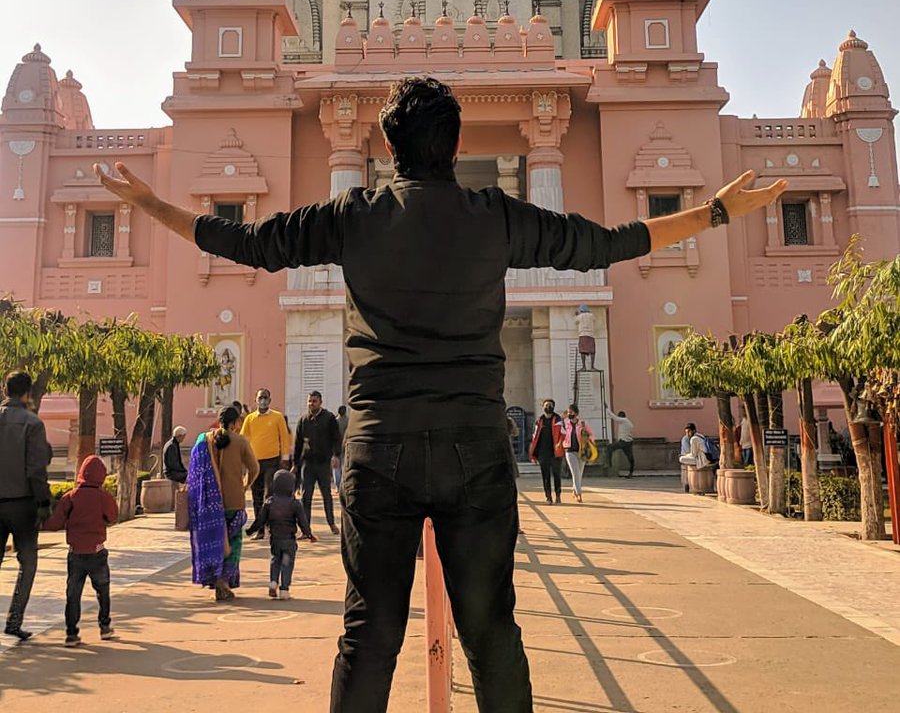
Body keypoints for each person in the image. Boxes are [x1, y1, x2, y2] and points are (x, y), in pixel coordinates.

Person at [94, 75, 786, 713]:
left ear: (389, 146)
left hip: (379, 447)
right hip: (475, 450)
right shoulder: (496, 217)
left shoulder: (353, 215)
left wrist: (150, 201)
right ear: (456, 145)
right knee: (491, 633)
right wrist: (716, 211)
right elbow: (608, 243)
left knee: (369, 634)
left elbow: (244, 241)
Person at [44, 455, 118, 646]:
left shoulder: (70, 496)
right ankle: (105, 627)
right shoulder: (103, 497)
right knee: (103, 591)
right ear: (101, 475)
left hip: (75, 552)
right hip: (97, 552)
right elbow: (112, 517)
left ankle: (71, 634)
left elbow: (55, 523)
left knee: (73, 594)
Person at [187, 405, 259, 601]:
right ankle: (224, 581)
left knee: (216, 543)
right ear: (236, 423)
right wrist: (245, 485)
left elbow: (193, 471)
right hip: (234, 502)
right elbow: (255, 468)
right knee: (233, 543)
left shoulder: (204, 440)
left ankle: (216, 579)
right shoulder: (241, 441)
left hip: (209, 503)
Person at [0, 370, 51, 641]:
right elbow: (36, 471)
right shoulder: (32, 423)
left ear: (4, 389)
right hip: (22, 505)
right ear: (27, 393)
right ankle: (14, 619)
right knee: (27, 563)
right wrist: (44, 503)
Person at [259, 468, 317, 600]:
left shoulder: (269, 502)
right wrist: (309, 535)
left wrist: (251, 530)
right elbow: (303, 522)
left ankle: (273, 581)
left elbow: (260, 520)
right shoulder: (295, 504)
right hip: (289, 540)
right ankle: (284, 589)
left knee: (275, 559)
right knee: (287, 563)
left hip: (275, 538)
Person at [241, 388, 291, 538]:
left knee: (268, 495)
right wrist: (242, 461)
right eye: (260, 397)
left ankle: (270, 526)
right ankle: (260, 528)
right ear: (255, 400)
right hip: (254, 463)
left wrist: (285, 459)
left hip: (272, 461)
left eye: (265, 398)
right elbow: (243, 440)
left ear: (270, 400)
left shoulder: (277, 417)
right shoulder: (250, 419)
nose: (262, 400)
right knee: (256, 495)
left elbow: (284, 438)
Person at [293, 391, 342, 534]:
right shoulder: (303, 420)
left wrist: (336, 455)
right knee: (305, 496)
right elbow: (298, 444)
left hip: (323, 463)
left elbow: (336, 439)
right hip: (307, 464)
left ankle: (331, 523)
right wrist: (295, 464)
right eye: (309, 401)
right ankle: (305, 529)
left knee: (326, 494)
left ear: (320, 402)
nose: (311, 404)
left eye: (314, 401)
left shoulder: (329, 418)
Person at [529, 400, 565, 505]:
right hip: (542, 453)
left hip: (555, 452)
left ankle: (558, 495)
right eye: (546, 405)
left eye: (550, 405)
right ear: (543, 407)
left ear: (553, 407)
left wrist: (560, 443)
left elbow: (563, 433)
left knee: (556, 474)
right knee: (545, 476)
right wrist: (533, 454)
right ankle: (548, 497)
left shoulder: (558, 419)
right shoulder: (540, 420)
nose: (548, 407)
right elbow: (535, 437)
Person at [562, 405, 594, 503]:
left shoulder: (583, 424)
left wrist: (590, 441)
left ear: (576, 413)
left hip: (581, 451)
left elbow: (591, 434)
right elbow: (559, 426)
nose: (569, 414)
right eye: (568, 412)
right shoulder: (565, 424)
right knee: (575, 472)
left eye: (571, 412)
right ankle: (579, 493)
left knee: (579, 473)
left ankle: (574, 489)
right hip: (569, 451)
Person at [607, 407, 635, 478]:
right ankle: (631, 473)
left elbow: (615, 418)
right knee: (630, 458)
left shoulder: (624, 420)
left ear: (621, 417)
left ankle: (609, 463)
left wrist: (607, 409)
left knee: (610, 447)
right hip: (628, 442)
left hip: (623, 442)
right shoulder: (629, 423)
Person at [575, 305, 597, 371]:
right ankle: (592, 366)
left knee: (582, 351)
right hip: (590, 335)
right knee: (592, 351)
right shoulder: (591, 315)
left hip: (582, 334)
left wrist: (576, 314)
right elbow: (595, 319)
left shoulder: (580, 316)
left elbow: (575, 321)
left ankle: (584, 366)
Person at [333, 405, 349, 490]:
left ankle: (337, 486)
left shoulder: (335, 421)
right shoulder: (348, 421)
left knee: (336, 467)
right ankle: (344, 485)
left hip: (336, 446)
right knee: (344, 466)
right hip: (346, 445)